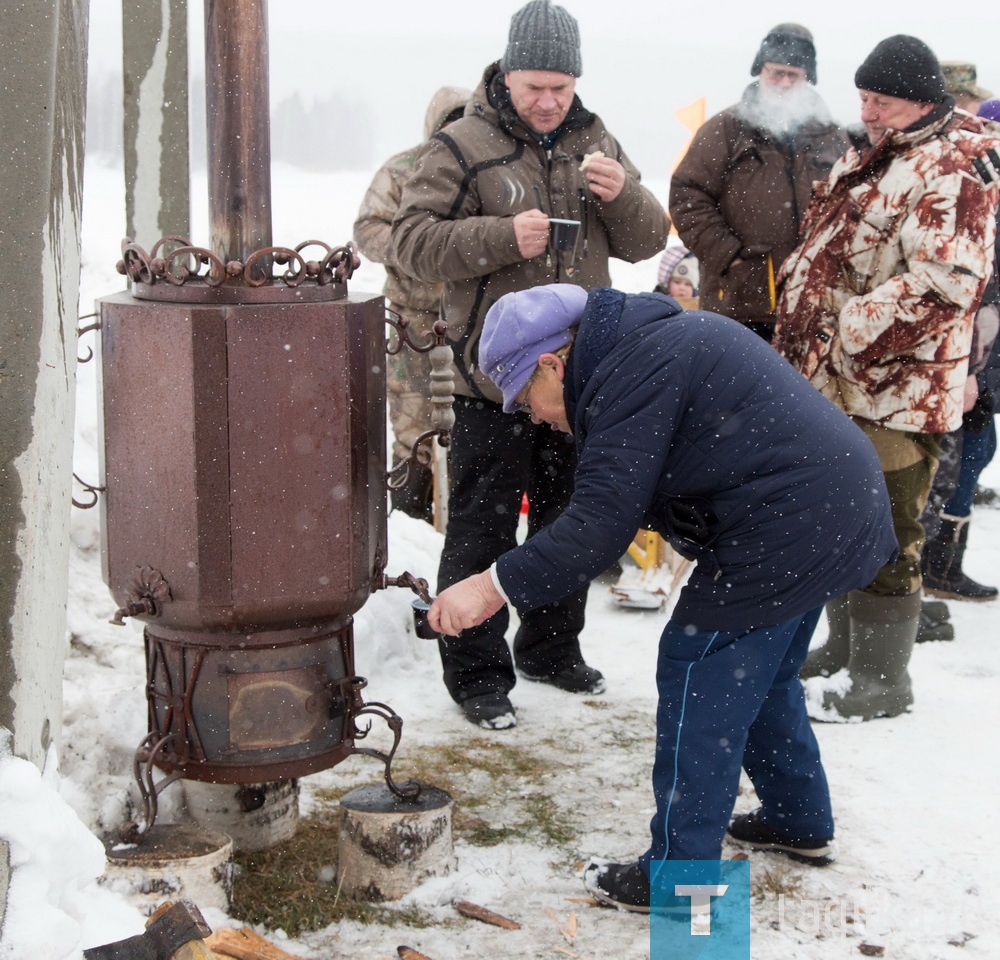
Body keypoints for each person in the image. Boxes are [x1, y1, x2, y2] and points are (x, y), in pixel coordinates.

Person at [427, 283, 896, 910]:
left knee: (699, 675)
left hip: (788, 521)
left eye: (525, 398)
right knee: (761, 676)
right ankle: (797, 820)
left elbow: (597, 524)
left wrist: (491, 587)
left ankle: (682, 887)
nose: (532, 416)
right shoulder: (643, 347)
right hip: (832, 506)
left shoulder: (632, 368)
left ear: (552, 363)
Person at [391, 0, 669, 729]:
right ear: (507, 74)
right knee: (482, 523)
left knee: (570, 515)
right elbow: (409, 242)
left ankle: (552, 648)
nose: (548, 102)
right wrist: (497, 237)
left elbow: (646, 241)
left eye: (561, 88)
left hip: (581, 378)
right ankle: (477, 672)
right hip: (495, 379)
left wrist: (628, 195)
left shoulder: (597, 137)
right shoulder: (461, 144)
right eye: (533, 86)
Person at [774, 36, 1000, 720]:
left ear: (925, 101)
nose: (870, 112)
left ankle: (881, 679)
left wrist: (845, 331)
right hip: (836, 384)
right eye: (865, 97)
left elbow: (947, 282)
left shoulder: (954, 167)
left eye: (885, 101)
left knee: (888, 532)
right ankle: (844, 654)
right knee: (844, 521)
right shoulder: (875, 150)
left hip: (897, 393)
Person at [669, 23, 847, 342]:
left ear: (808, 78)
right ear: (760, 71)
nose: (784, 83)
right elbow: (687, 197)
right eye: (775, 73)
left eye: (794, 75)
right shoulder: (724, 130)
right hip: (739, 306)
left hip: (814, 310)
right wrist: (729, 256)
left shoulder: (832, 137)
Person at [353, 86, 471, 522]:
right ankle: (409, 527)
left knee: (471, 431)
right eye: (450, 121)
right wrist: (412, 251)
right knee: (412, 427)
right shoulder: (403, 169)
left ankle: (458, 523)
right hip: (412, 321)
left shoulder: (480, 170)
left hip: (471, 320)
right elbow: (367, 228)